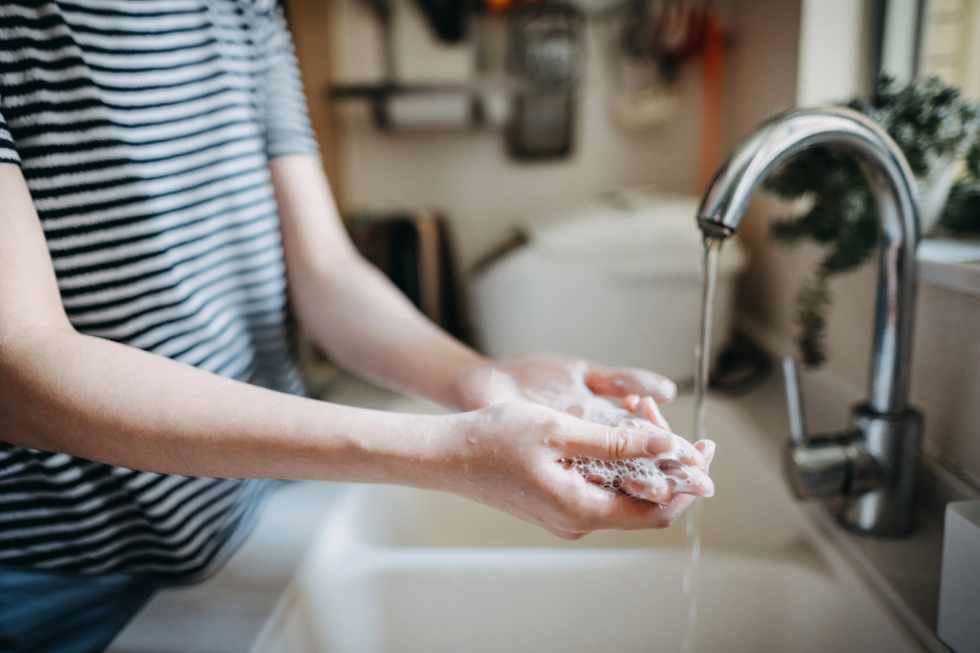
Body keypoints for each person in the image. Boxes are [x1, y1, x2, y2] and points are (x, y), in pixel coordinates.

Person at [0, 1, 715, 651]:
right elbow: (19, 364)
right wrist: (451, 451)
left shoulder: (241, 10)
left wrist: (473, 374)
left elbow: (327, 271)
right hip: (57, 576)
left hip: (252, 515)